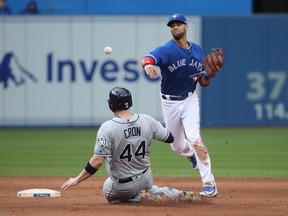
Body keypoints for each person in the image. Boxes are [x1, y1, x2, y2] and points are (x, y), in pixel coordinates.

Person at [61, 87, 200, 203]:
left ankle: (138, 198)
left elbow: (97, 161)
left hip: (122, 186)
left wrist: (77, 179)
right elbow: (170, 138)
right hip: (146, 179)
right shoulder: (147, 120)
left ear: (111, 105)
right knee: (149, 186)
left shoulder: (107, 128)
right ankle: (171, 194)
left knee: (108, 193)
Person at [141, 13, 223, 197]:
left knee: (195, 139)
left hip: (189, 99)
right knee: (177, 146)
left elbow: (202, 81)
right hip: (169, 102)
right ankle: (191, 155)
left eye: (178, 24)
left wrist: (209, 74)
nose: (174, 27)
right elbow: (147, 58)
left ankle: (209, 184)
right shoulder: (166, 50)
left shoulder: (198, 50)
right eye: (172, 25)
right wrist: (147, 66)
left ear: (186, 27)